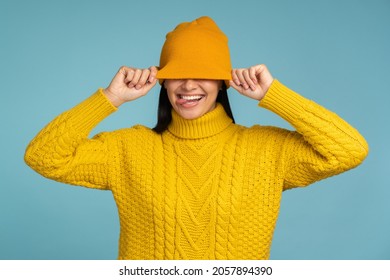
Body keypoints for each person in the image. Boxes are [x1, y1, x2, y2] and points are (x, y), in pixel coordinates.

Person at [24, 16, 368, 260]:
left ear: (223, 82)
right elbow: (43, 157)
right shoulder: (127, 149)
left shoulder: (267, 151)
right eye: (177, 75)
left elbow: (349, 150)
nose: (188, 86)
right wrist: (109, 98)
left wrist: (275, 94)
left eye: (203, 73)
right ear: (162, 82)